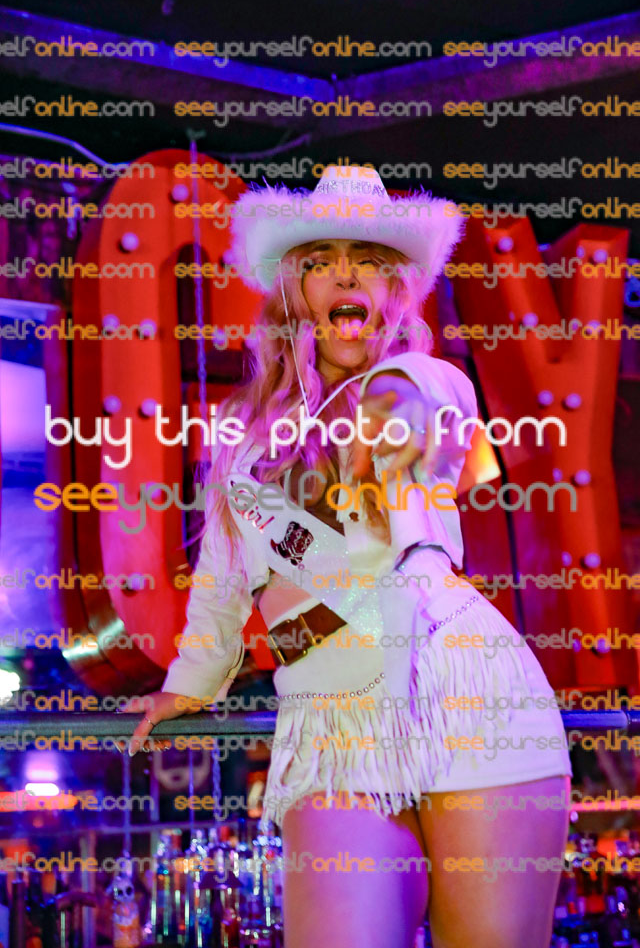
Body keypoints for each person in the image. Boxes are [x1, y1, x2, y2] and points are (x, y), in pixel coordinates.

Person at [123, 166, 572, 948]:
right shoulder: (240, 440)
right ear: (294, 289)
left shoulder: (423, 379)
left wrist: (387, 417)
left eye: (368, 259)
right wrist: (187, 685)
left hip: (469, 688)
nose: (345, 275)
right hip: (331, 717)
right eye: (321, 259)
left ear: (395, 288)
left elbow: (427, 411)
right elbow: (222, 583)